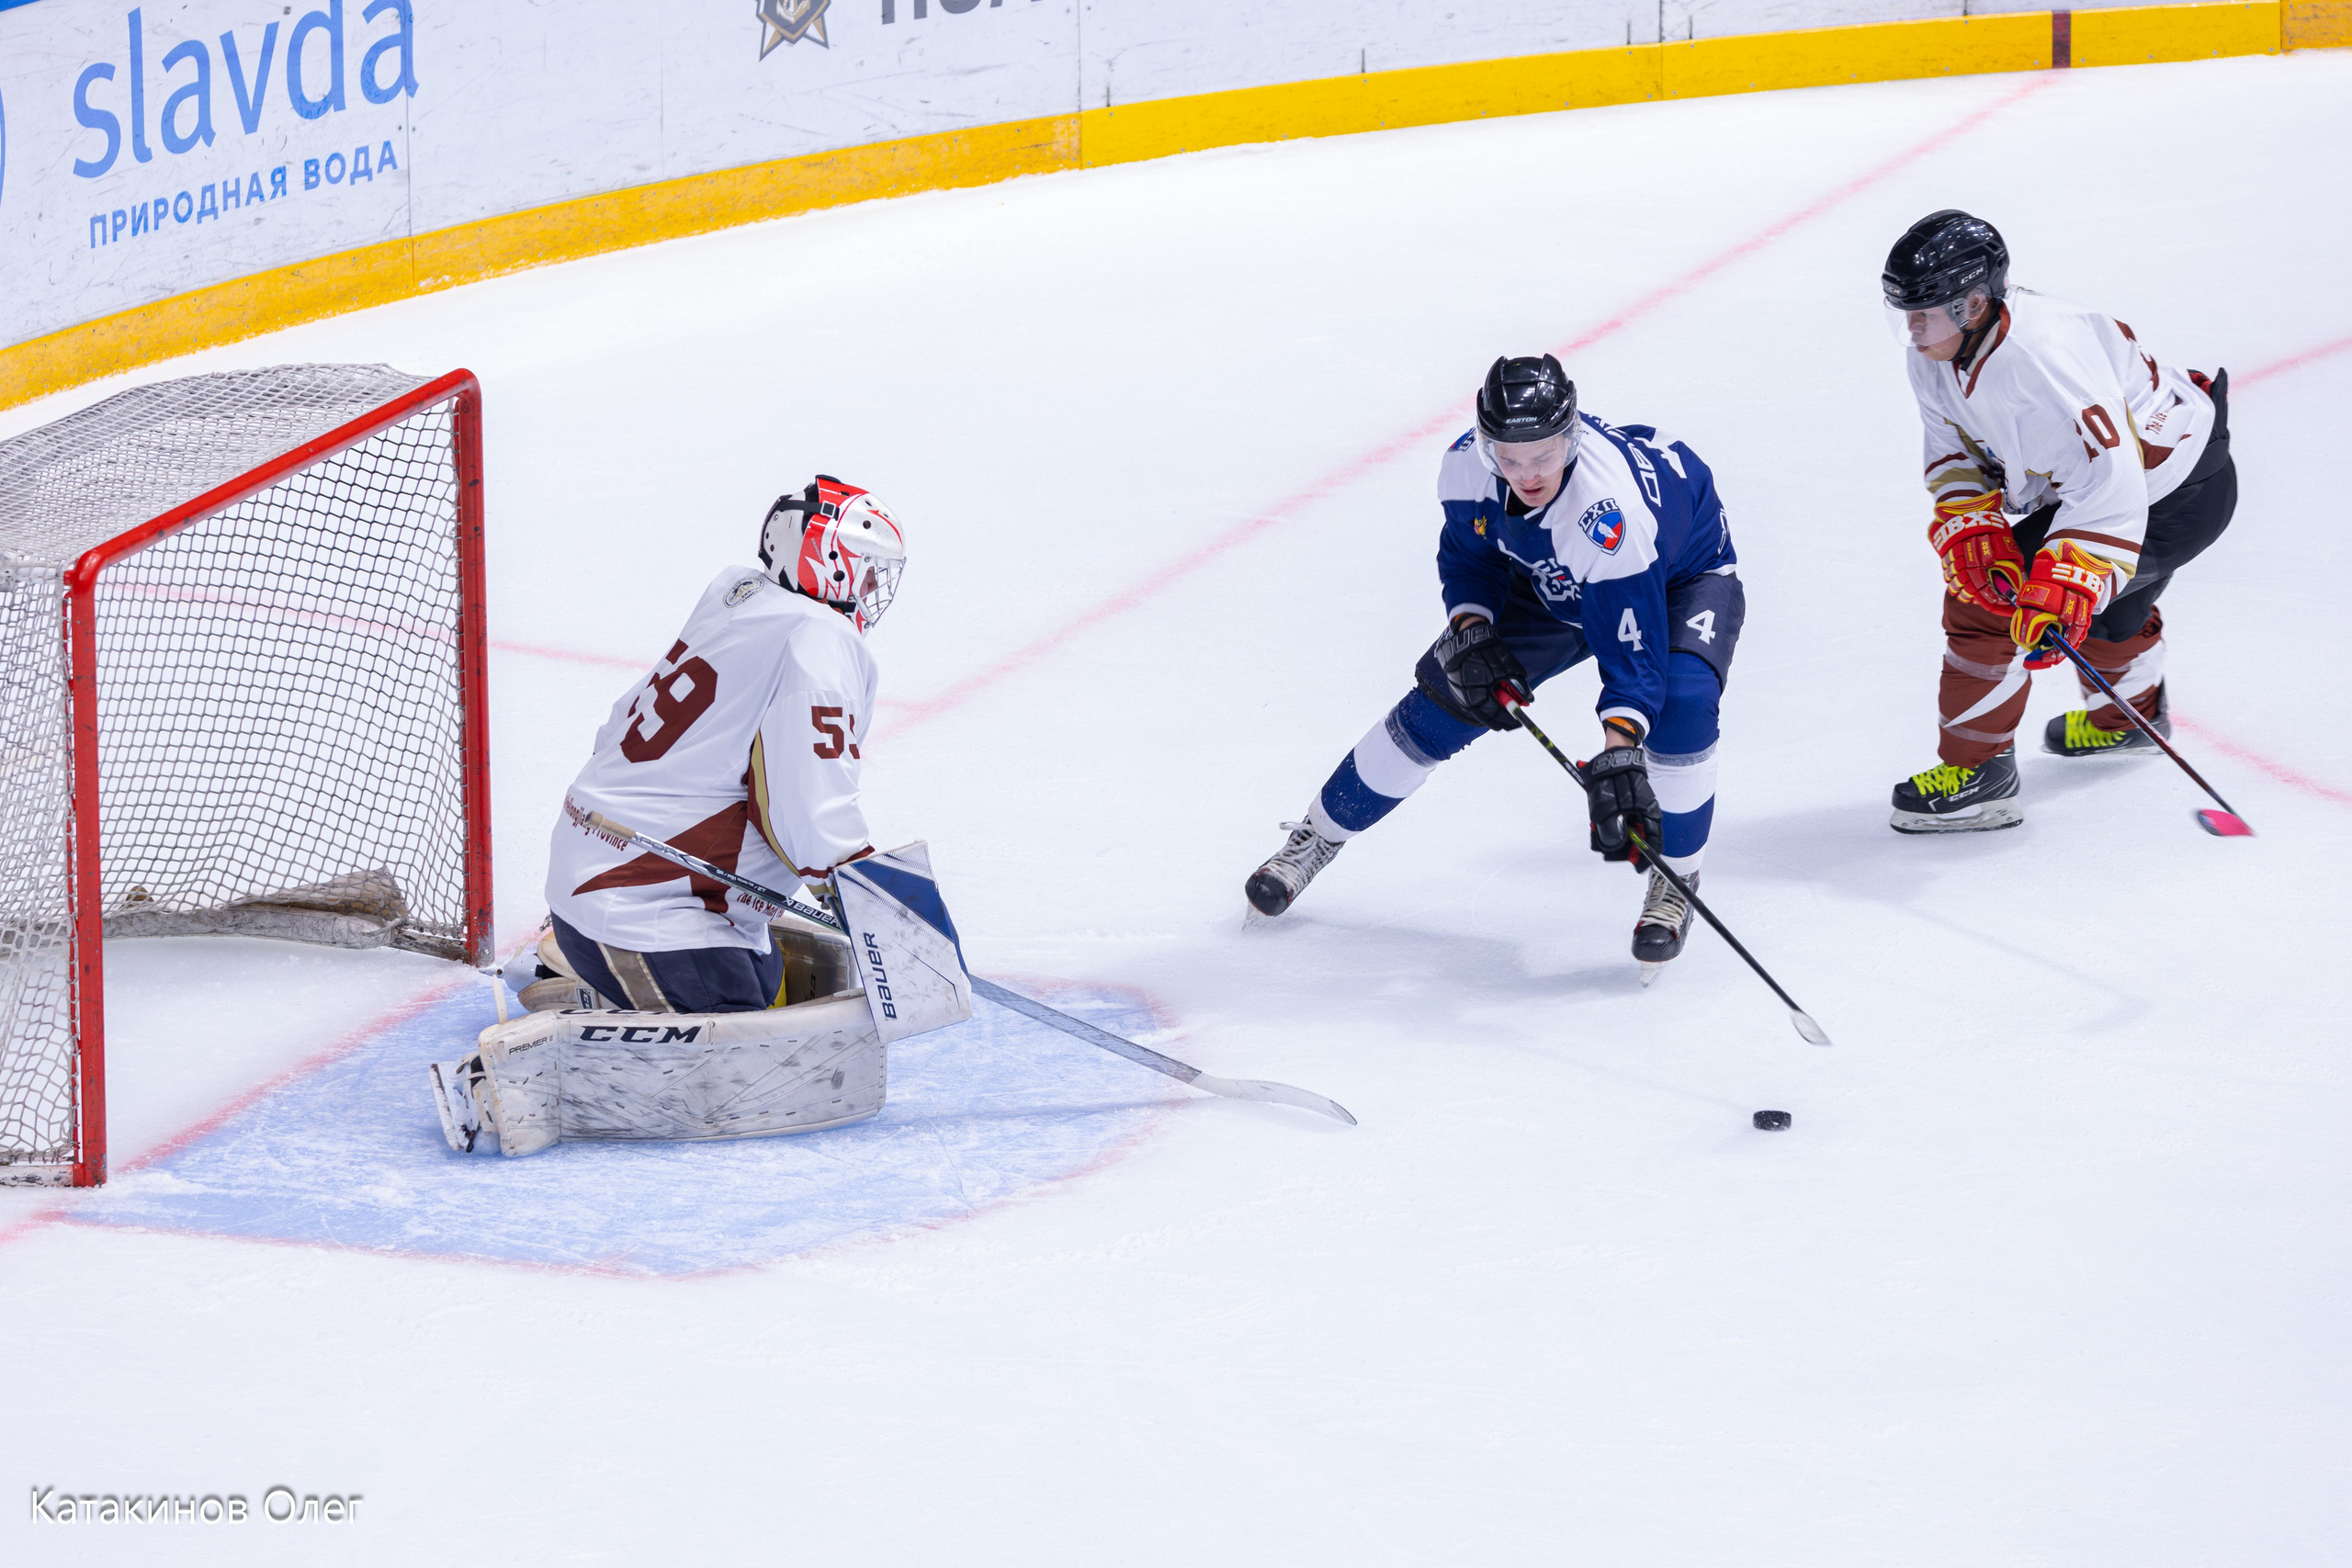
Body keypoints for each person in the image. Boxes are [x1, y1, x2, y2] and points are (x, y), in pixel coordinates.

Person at [428, 476, 914, 1154]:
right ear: (828, 564)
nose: (870, 594)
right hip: (638, 903)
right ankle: (504, 1070)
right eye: (866, 573)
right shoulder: (820, 641)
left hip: (607, 869)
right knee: (741, 1061)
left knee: (767, 985)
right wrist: (882, 902)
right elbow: (809, 807)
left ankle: (567, 966)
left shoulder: (741, 596)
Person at [1244, 355, 1744, 976]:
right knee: (1445, 699)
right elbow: (1467, 555)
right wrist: (1472, 628)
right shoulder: (1464, 468)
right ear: (1485, 443)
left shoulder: (1608, 515)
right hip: (1552, 579)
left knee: (1682, 706)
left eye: (1545, 453)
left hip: (1675, 580)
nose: (1528, 472)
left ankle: (1678, 878)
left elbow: (1631, 655)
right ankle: (1317, 836)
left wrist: (1619, 751)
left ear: (1574, 434)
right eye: (1509, 455)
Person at [1883, 209, 2235, 833]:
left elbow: (2112, 482)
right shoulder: (1939, 352)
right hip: (2147, 484)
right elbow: (1954, 447)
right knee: (2095, 604)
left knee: (1995, 606)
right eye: (1904, 313)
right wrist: (1972, 521)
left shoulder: (2042, 358)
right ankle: (2128, 720)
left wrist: (2066, 580)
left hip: (2173, 494)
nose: (1912, 330)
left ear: (1974, 304)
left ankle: (1980, 774)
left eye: (1926, 313)